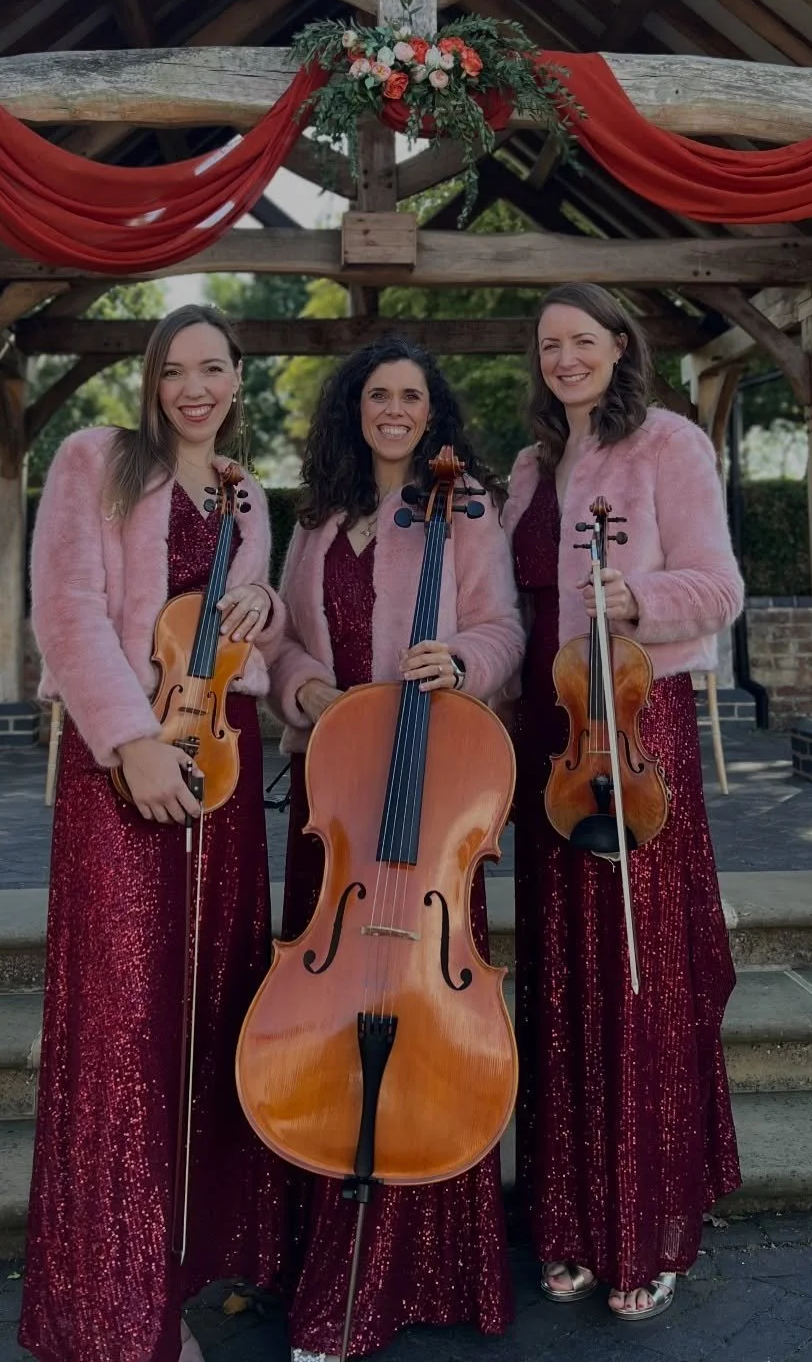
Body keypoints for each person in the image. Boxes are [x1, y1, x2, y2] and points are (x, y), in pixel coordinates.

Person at [20, 305, 289, 1362]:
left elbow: (238, 635)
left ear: (237, 378)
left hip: (223, 761)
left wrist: (260, 603)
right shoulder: (95, 460)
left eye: (212, 368)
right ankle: (113, 1310)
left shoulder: (248, 492)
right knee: (123, 1032)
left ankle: (176, 1276)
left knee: (204, 1019)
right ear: (148, 379)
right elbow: (66, 610)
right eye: (174, 370)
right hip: (124, 765)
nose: (193, 388)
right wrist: (129, 741)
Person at [269, 337, 524, 1362]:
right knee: (321, 1017)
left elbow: (505, 625)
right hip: (338, 814)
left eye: (412, 396)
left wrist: (458, 659)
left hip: (428, 827)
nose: (394, 409)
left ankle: (422, 1269)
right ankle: (321, 1256)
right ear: (354, 408)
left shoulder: (466, 509)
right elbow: (283, 638)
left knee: (424, 1022)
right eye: (378, 394)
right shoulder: (318, 519)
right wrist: (310, 694)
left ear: (434, 413)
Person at [506, 283, 743, 1324]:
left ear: (618, 345)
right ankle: (565, 1220)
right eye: (549, 345)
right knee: (563, 986)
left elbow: (720, 585)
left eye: (582, 341)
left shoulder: (670, 444)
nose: (565, 358)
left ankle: (646, 1227)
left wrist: (639, 597)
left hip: (639, 732)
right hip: (552, 742)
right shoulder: (527, 470)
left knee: (639, 982)